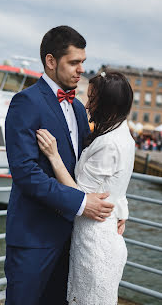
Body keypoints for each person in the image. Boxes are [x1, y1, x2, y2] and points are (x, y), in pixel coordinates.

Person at [4, 26, 114, 305]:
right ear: (51, 61)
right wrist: (80, 203)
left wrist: (118, 209)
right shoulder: (25, 102)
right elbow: (25, 173)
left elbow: (85, 166)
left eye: (83, 63)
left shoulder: (78, 107)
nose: (81, 70)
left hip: (72, 238)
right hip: (33, 239)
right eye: (74, 62)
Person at [37, 71, 135, 305]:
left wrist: (53, 155)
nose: (88, 105)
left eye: (93, 99)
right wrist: (122, 211)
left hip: (94, 243)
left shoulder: (109, 143)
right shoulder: (123, 134)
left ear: (108, 102)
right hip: (104, 234)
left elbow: (78, 195)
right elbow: (117, 185)